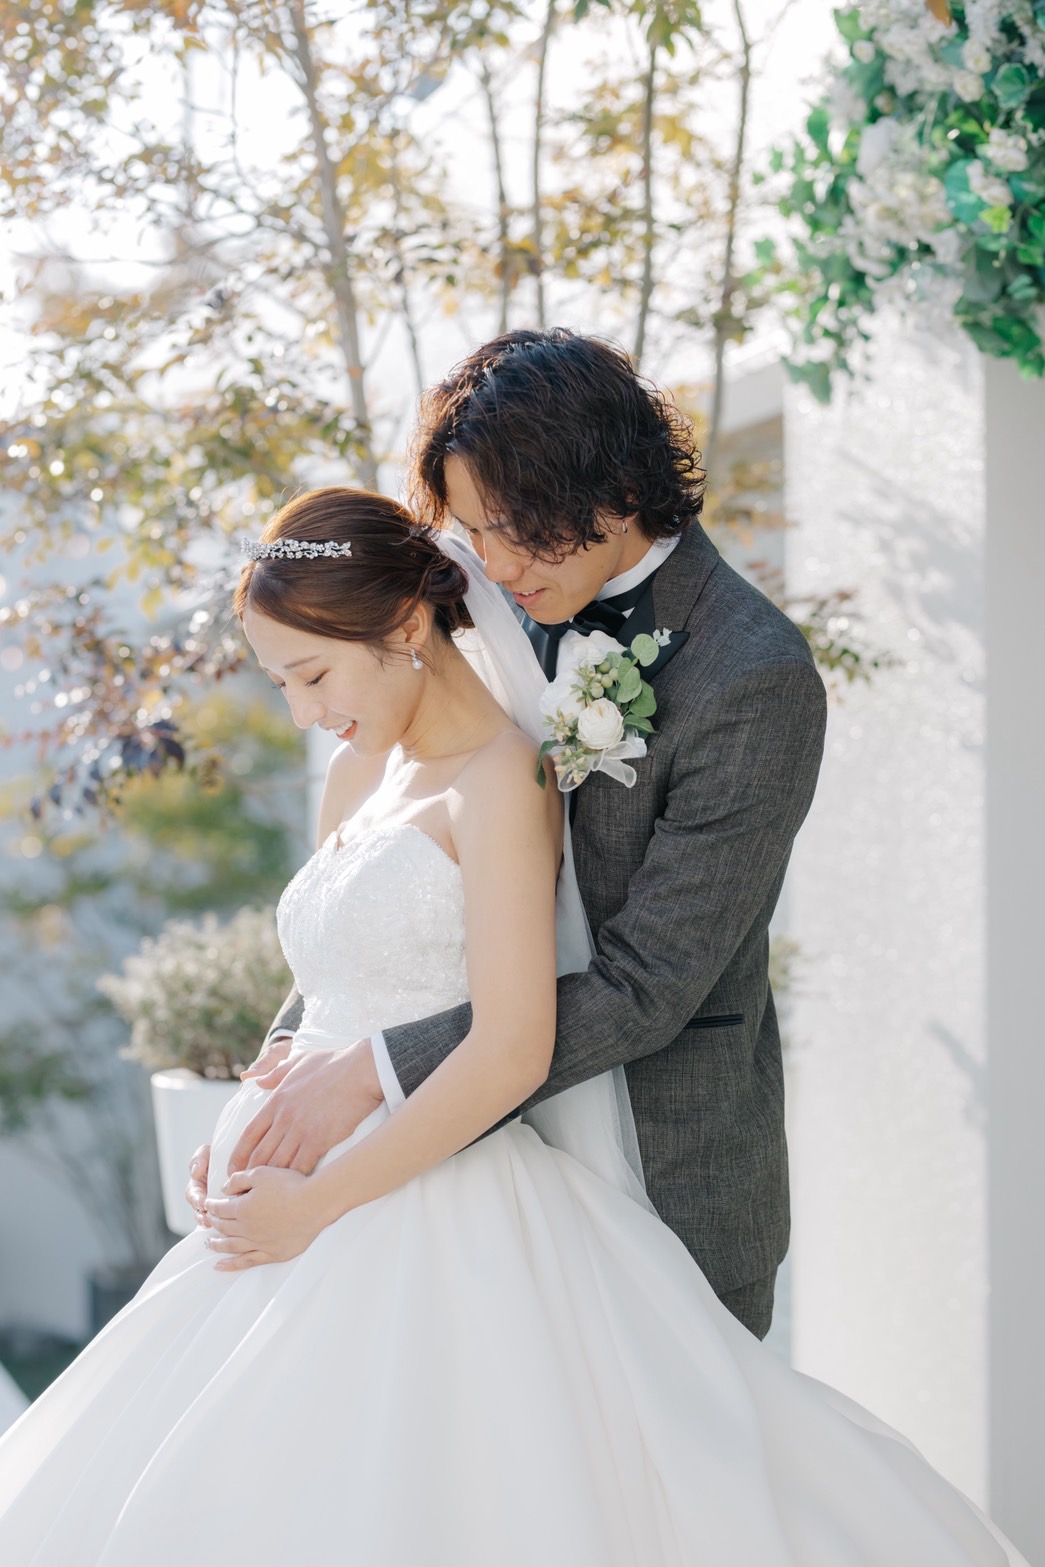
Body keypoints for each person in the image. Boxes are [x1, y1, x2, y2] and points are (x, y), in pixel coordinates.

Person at [0, 486, 1027, 1566]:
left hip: (417, 1195)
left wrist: (316, 1205)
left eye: (313, 675)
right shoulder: (356, 770)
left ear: (406, 627)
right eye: (281, 683)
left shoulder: (500, 781)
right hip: (283, 1203)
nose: (302, 711)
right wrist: (263, 1085)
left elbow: (511, 1046)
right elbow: (329, 975)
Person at [190, 328, 825, 1340]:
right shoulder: (496, 604)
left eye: (512, 531)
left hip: (665, 1163)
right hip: (448, 1173)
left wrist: (369, 1069)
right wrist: (285, 1070)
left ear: (619, 490)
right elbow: (385, 883)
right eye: (471, 531)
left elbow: (648, 982)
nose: (486, 564)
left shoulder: (752, 678)